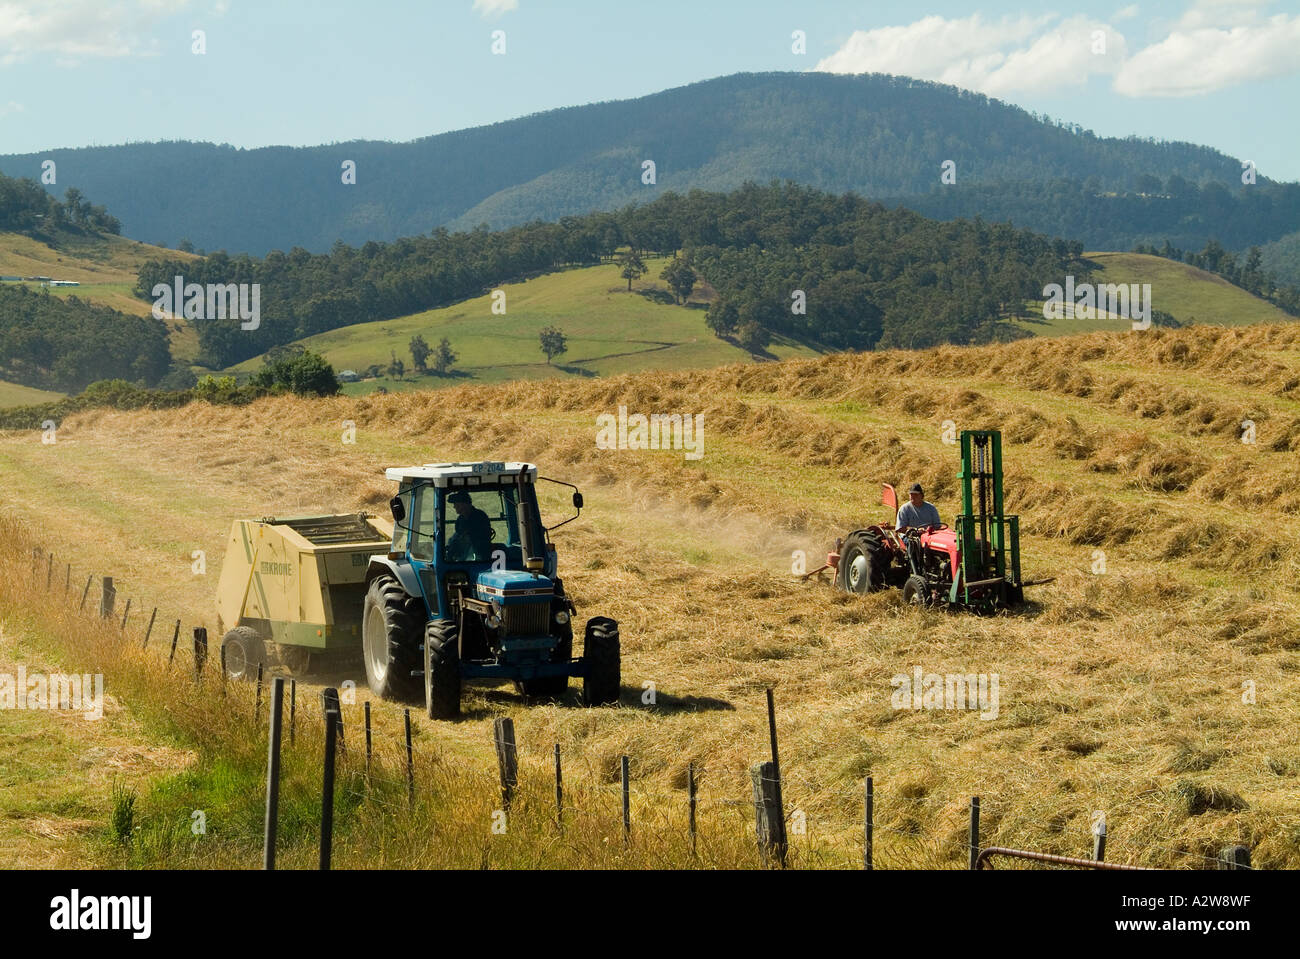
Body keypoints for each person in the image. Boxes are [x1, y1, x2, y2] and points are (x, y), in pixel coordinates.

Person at [447, 490, 493, 561]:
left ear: (464, 504)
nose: (454, 506)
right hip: (465, 551)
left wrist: (467, 537)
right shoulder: (460, 519)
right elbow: (458, 535)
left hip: (479, 552)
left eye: (456, 504)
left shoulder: (480, 516)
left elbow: (480, 537)